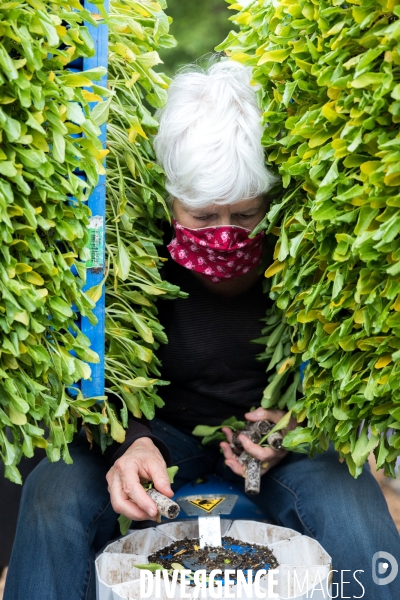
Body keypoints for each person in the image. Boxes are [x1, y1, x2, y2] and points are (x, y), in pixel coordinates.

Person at [4, 61, 400, 600]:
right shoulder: (129, 258)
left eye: (244, 216)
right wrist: (131, 441)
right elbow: (96, 376)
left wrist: (297, 422)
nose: (223, 237)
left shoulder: (311, 253)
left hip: (279, 439)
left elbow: (338, 371)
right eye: (200, 218)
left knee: (357, 517)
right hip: (159, 431)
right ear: (169, 205)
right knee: (53, 491)